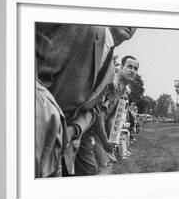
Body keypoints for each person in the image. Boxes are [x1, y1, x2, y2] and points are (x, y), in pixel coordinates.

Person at [35, 23, 136, 176]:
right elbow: (38, 74)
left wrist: (74, 129)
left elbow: (93, 108)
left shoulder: (109, 69)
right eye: (130, 67)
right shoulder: (82, 27)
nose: (131, 24)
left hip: (68, 141)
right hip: (38, 129)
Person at [75, 55, 140, 175]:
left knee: (103, 166)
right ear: (121, 67)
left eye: (136, 69)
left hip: (96, 130)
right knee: (90, 170)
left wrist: (112, 139)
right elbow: (98, 113)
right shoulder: (111, 82)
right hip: (83, 126)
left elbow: (111, 117)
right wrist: (105, 141)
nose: (133, 71)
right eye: (129, 67)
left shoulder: (124, 91)